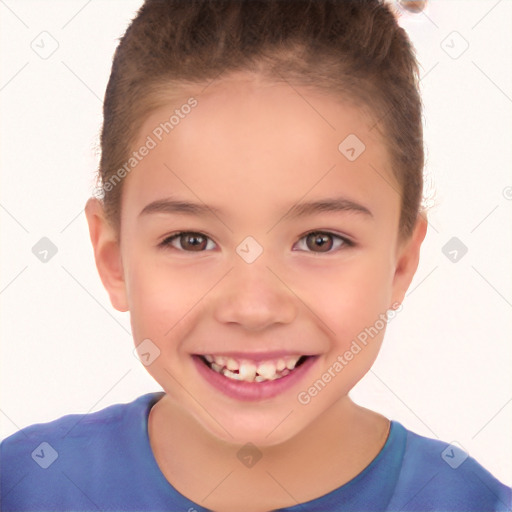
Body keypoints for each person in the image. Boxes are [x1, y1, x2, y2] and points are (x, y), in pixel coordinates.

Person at [1, 1, 510, 511]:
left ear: (401, 263)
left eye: (320, 241)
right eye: (191, 240)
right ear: (113, 260)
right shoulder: (27, 486)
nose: (253, 308)